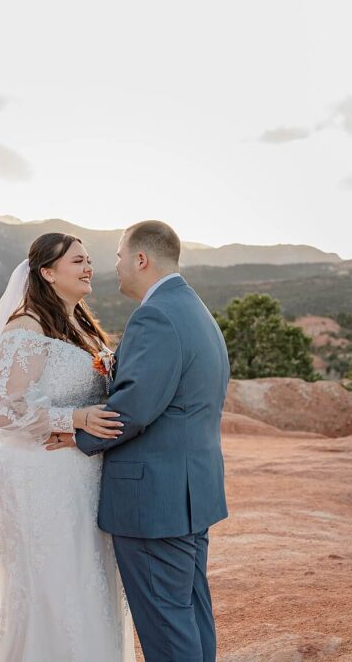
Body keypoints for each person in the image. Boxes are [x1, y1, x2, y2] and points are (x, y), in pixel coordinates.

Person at [0, 232, 134, 662]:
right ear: (47, 272)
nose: (89, 267)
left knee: (87, 569)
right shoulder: (26, 327)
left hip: (81, 469)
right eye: (77, 261)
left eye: (89, 260)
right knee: (55, 572)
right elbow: (2, 410)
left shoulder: (82, 325)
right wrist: (72, 418)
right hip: (43, 472)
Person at [48, 220, 231, 662]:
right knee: (188, 612)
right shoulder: (195, 309)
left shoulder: (157, 315)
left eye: (116, 256)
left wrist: (76, 434)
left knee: (167, 627)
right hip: (191, 490)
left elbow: (133, 409)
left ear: (141, 259)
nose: (112, 267)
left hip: (154, 500)